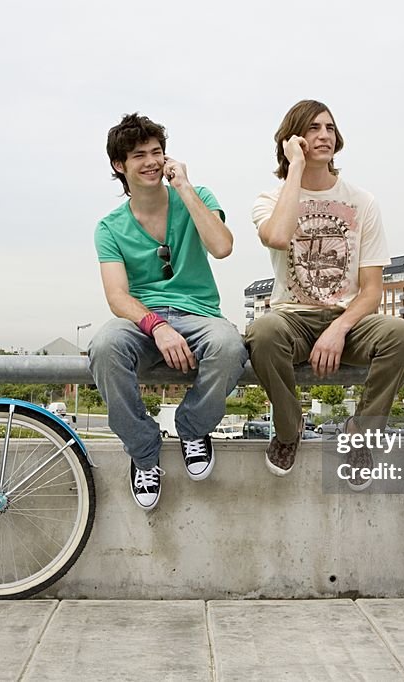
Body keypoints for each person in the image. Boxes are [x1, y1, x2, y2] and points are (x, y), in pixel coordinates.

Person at [246, 99, 404, 489]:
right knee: (262, 333)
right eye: (312, 129)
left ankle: (361, 432)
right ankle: (289, 430)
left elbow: (372, 289)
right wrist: (294, 169)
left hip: (349, 319)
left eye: (328, 127)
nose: (323, 135)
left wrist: (339, 328)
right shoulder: (269, 200)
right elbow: (276, 236)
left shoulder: (362, 202)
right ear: (292, 139)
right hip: (291, 318)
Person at [89, 113, 247, 510]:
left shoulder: (197, 196)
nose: (151, 162)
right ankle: (144, 453)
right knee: (105, 346)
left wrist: (186, 188)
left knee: (229, 346)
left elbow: (223, 247)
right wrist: (156, 326)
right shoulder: (109, 227)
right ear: (119, 166)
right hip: (143, 320)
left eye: (157, 152)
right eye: (139, 155)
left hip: (199, 315)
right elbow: (117, 297)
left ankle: (192, 429)